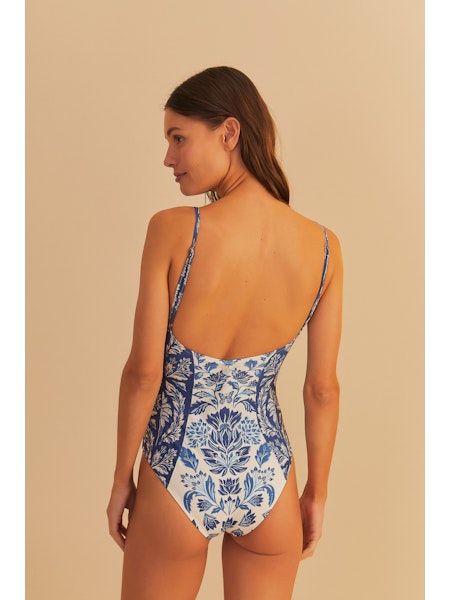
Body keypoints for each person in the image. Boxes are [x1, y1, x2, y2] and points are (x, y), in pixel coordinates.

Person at [107, 66, 343, 600]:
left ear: (229, 133)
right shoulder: (325, 248)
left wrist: (122, 477)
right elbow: (322, 389)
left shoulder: (173, 229)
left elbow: (143, 373)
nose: (168, 158)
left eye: (178, 138)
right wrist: (316, 492)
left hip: (176, 471)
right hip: (269, 478)